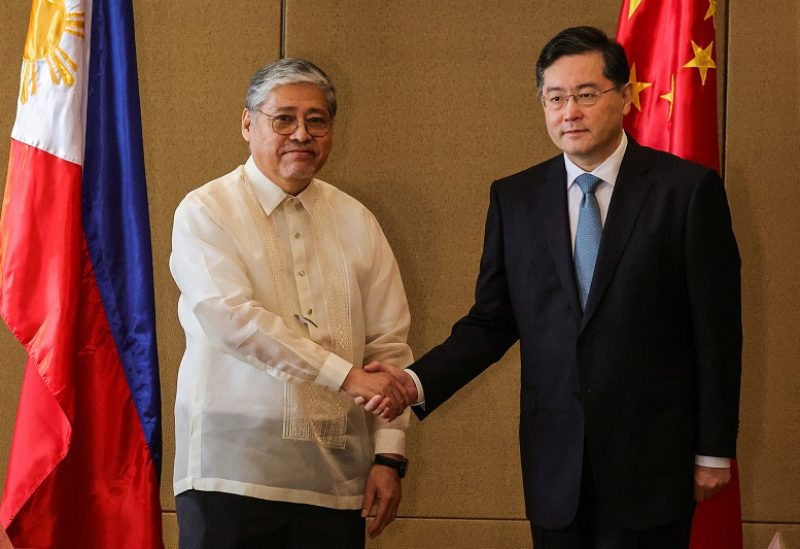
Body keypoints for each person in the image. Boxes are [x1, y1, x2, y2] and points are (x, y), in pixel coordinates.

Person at [360, 26, 742, 548]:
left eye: (587, 95)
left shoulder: (686, 191)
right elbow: (492, 322)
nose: (570, 112)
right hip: (555, 460)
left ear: (625, 97)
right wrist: (413, 382)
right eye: (555, 97)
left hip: (653, 459)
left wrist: (714, 449)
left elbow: (717, 332)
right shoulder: (515, 199)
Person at [170, 58, 415, 549]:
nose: (301, 133)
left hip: (339, 486)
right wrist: (345, 375)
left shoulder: (356, 220)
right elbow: (231, 320)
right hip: (231, 475)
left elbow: (389, 345)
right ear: (247, 123)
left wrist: (389, 456)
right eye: (283, 118)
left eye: (316, 120)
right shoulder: (206, 210)